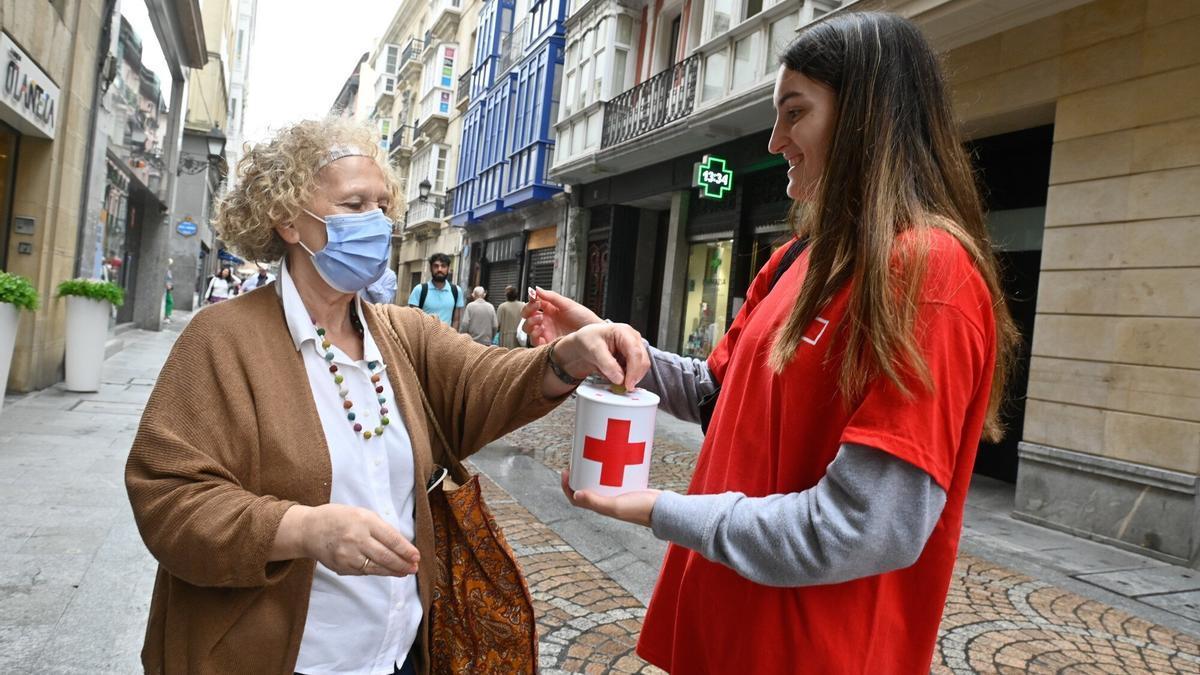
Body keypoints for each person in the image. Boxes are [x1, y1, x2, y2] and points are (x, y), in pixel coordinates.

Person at [523, 12, 1019, 674]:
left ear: (866, 119)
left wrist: (664, 510)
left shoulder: (929, 271)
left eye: (795, 112)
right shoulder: (796, 260)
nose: (776, 137)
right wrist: (609, 341)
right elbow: (716, 395)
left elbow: (867, 526)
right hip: (725, 635)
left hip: (814, 652)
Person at [124, 117, 649, 674]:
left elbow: (486, 382)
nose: (374, 223)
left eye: (380, 205)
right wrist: (302, 529)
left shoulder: (402, 333)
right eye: (353, 205)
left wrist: (570, 354)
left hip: (399, 657)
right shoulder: (221, 339)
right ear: (286, 220)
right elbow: (168, 496)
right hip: (281, 659)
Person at [407, 253, 463, 329]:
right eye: (436, 266)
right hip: (423, 339)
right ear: (431, 268)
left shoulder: (456, 291)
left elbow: (456, 320)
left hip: (446, 339)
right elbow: (412, 320)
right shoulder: (420, 290)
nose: (439, 269)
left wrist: (452, 338)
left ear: (448, 269)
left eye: (443, 266)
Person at [163, 258, 174, 324]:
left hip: (168, 288)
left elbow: (169, 279)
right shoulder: (166, 271)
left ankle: (167, 316)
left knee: (169, 302)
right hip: (166, 288)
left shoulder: (168, 270)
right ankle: (166, 316)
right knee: (169, 301)